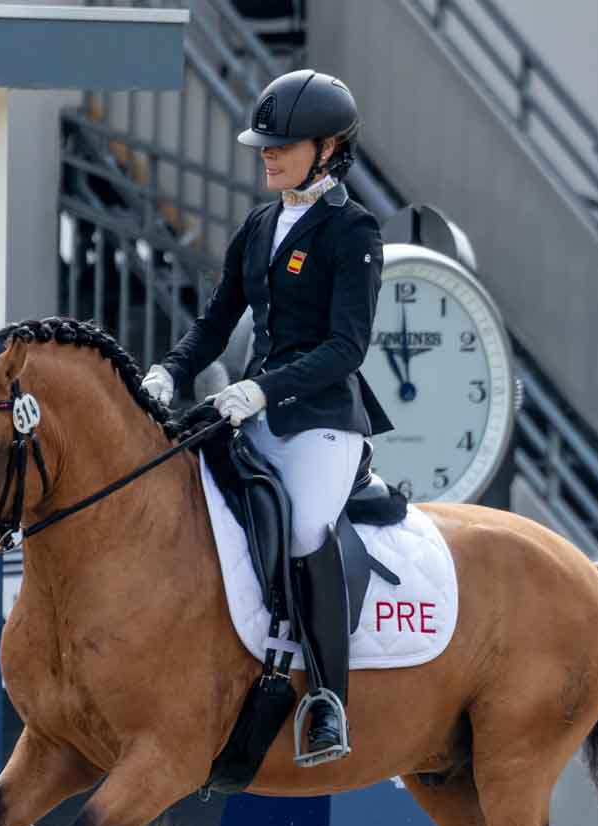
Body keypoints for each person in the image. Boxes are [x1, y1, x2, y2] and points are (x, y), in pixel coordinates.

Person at [140, 69, 392, 768]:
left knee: (308, 526)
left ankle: (328, 701)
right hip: (253, 409)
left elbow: (346, 347)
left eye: (282, 146)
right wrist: (171, 369)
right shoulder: (258, 226)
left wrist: (261, 392)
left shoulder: (353, 230)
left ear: (329, 146)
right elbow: (218, 319)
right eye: (264, 146)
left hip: (321, 423)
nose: (268, 156)